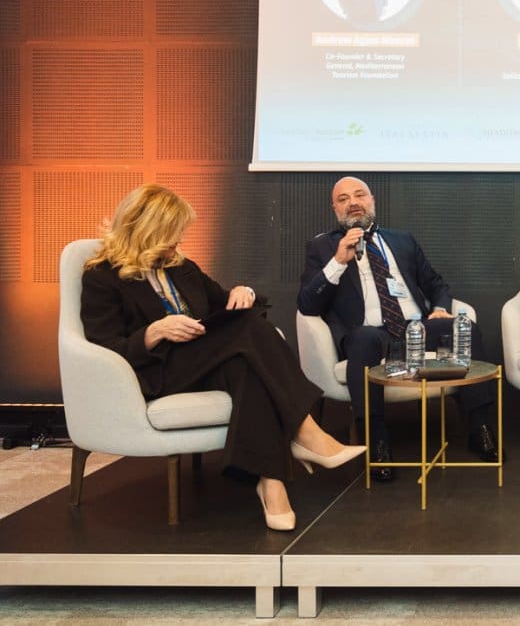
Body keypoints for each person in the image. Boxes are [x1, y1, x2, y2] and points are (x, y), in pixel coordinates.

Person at [80, 185, 365, 532]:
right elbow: (105, 348)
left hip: (204, 361)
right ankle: (305, 431)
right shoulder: (102, 277)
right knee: (248, 333)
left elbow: (226, 304)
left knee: (247, 366)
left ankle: (271, 484)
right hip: (158, 369)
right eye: (172, 233)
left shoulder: (181, 267)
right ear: (147, 230)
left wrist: (243, 292)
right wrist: (154, 332)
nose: (178, 240)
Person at [297, 176, 499, 480]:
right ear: (334, 208)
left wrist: (440, 308)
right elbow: (307, 304)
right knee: (363, 340)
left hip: (415, 327)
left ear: (372, 200)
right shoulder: (322, 247)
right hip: (369, 333)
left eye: (359, 195)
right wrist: (338, 261)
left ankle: (479, 428)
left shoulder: (402, 240)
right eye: (343, 199)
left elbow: (435, 283)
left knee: (465, 327)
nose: (353, 203)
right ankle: (377, 441)